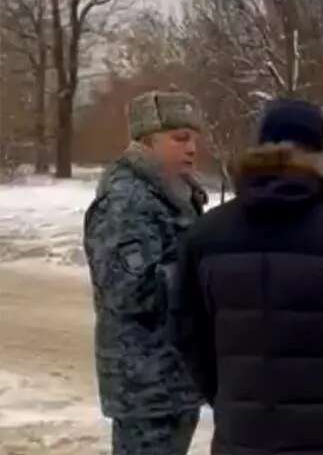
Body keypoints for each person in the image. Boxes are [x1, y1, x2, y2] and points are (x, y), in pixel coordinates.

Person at [174, 98, 323, 455]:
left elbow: (187, 331)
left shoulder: (206, 233)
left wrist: (226, 397)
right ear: (320, 149)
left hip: (242, 437)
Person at [84, 91, 207, 455]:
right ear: (146, 141)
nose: (192, 148)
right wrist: (207, 274)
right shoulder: (126, 202)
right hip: (144, 383)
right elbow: (128, 289)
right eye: (180, 138)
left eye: (194, 138)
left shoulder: (175, 193)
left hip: (173, 377)